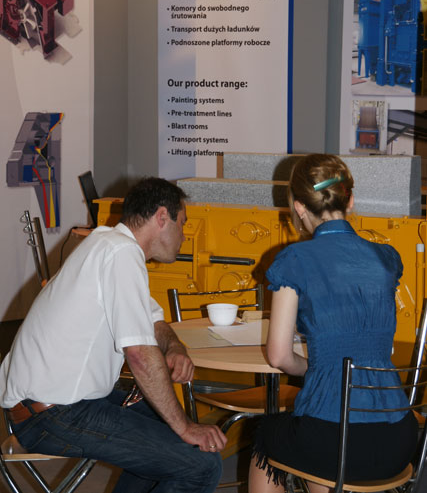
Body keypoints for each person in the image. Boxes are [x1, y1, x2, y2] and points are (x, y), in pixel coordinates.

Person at [0, 177, 226, 493]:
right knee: (200, 464)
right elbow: (140, 355)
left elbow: (153, 322)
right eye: (183, 223)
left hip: (58, 404)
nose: (184, 235)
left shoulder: (108, 244)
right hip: (54, 414)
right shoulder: (120, 252)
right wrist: (186, 428)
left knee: (167, 431)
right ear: (162, 217)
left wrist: (174, 347)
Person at [249, 154, 418, 493]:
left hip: (333, 441)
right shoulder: (385, 258)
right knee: (319, 437)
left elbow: (279, 356)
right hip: (399, 436)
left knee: (266, 435)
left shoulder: (294, 261)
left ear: (299, 207)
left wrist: (316, 368)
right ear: (350, 200)